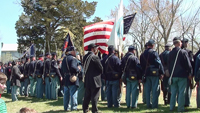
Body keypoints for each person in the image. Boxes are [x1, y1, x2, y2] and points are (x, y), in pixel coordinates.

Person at [168, 37, 192, 112]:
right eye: (181, 43)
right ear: (179, 43)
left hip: (173, 75)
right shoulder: (183, 52)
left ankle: (171, 107)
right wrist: (190, 72)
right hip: (182, 75)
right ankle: (180, 108)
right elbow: (188, 64)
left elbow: (168, 65)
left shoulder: (170, 53)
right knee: (181, 92)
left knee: (173, 92)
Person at [140, 39, 164, 109]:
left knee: (147, 90)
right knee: (155, 90)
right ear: (153, 45)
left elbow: (141, 66)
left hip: (146, 74)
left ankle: (148, 104)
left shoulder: (142, 54)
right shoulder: (154, 53)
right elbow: (158, 63)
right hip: (154, 73)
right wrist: (162, 72)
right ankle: (154, 105)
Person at [82, 43, 103, 113]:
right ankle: (94, 110)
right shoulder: (95, 57)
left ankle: (85, 109)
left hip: (87, 79)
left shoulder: (85, 57)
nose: (96, 49)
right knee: (95, 96)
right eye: (95, 48)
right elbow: (101, 69)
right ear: (92, 49)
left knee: (87, 96)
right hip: (95, 80)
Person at [61, 47, 80, 111]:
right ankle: (74, 107)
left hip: (66, 78)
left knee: (66, 95)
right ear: (71, 51)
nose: (75, 52)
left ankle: (66, 107)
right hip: (72, 78)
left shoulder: (64, 59)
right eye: (74, 50)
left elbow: (62, 69)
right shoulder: (73, 59)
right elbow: (73, 67)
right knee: (73, 93)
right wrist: (78, 69)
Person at [182, 38, 194, 107]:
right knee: (188, 88)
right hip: (187, 72)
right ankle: (187, 102)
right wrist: (191, 73)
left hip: (181, 73)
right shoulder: (188, 52)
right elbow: (191, 63)